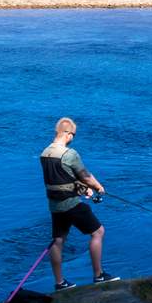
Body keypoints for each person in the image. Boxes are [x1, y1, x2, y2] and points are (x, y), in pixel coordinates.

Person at [39, 117, 117, 289]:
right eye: (73, 134)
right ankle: (99, 275)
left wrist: (82, 189)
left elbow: (61, 178)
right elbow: (85, 176)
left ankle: (60, 283)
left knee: (57, 241)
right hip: (71, 204)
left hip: (55, 205)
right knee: (98, 232)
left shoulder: (44, 153)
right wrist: (98, 187)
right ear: (67, 133)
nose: (73, 138)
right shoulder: (70, 154)